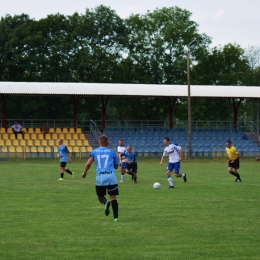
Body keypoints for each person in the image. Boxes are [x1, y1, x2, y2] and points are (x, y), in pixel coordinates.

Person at [81, 135, 119, 222]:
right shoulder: (112, 152)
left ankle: (105, 202)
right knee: (113, 198)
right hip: (111, 177)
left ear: (98, 143)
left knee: (100, 195)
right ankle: (116, 218)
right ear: (107, 143)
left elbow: (88, 164)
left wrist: (85, 172)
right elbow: (116, 166)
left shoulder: (94, 152)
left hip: (101, 177)